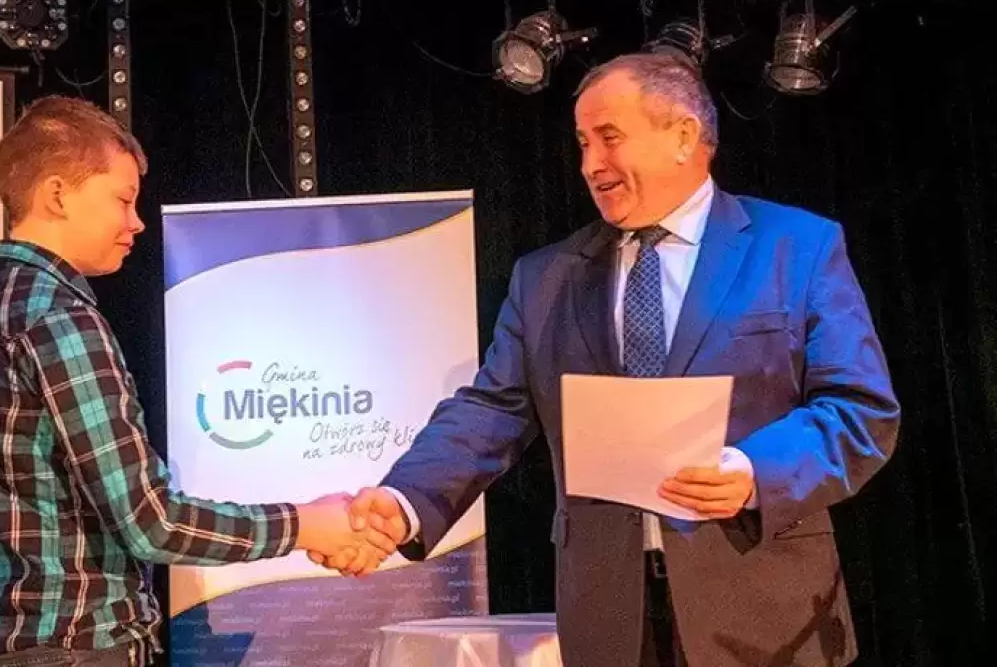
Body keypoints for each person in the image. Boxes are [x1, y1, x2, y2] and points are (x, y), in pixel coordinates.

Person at [315, 51, 900, 667]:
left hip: (766, 609)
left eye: (609, 138)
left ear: (683, 137)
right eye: (582, 143)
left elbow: (859, 411)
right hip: (610, 616)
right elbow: (491, 411)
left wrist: (754, 472)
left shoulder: (796, 247)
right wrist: (403, 502)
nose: (591, 164)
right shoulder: (546, 277)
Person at [0, 96, 400, 667]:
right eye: (122, 199)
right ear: (57, 195)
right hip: (69, 650)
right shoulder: (58, 319)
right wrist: (307, 525)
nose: (137, 222)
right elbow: (150, 521)